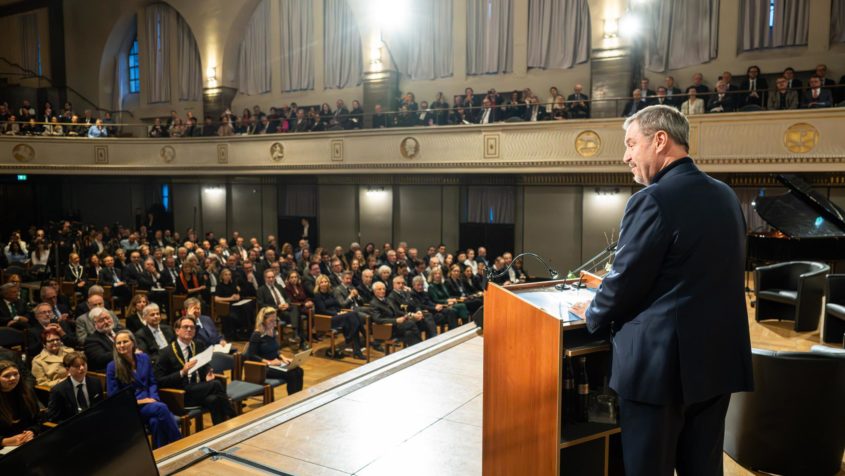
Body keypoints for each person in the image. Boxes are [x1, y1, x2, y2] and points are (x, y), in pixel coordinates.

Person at [569, 105, 753, 476]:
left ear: (660, 140)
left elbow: (623, 282)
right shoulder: (725, 196)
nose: (626, 156)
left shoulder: (652, 199)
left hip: (661, 370)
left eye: (631, 144)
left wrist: (590, 313)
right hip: (717, 362)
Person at [154, 316, 235, 425]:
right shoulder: (165, 353)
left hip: (200, 389)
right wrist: (182, 372)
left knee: (214, 399)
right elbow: (159, 381)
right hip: (181, 395)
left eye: (192, 327)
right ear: (177, 331)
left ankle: (221, 431)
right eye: (185, 327)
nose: (189, 330)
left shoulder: (198, 344)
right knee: (216, 384)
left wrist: (208, 372)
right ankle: (234, 417)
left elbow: (205, 363)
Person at [107, 330, 181, 448]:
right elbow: (114, 397)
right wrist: (142, 401)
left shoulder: (144, 358)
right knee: (161, 408)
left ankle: (159, 453)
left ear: (133, 343)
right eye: (118, 343)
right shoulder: (112, 366)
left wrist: (153, 398)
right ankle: (179, 443)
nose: (121, 345)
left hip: (150, 403)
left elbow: (152, 382)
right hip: (131, 408)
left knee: (155, 422)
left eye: (125, 341)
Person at [245, 308, 305, 396]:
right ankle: (292, 400)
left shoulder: (272, 331)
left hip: (276, 364)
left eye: (275, 320)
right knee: (291, 374)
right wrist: (269, 362)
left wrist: (283, 358)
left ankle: (297, 398)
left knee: (299, 370)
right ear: (263, 320)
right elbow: (252, 355)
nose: (274, 323)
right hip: (263, 368)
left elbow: (275, 350)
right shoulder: (256, 335)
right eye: (271, 321)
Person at [312, 275, 365, 359]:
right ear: (318, 284)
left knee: (354, 317)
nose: (324, 284)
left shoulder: (330, 293)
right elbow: (323, 311)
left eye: (326, 281)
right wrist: (337, 314)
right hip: (326, 319)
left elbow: (338, 305)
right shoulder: (317, 296)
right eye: (322, 282)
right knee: (353, 316)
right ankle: (360, 337)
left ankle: (356, 350)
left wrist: (340, 311)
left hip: (337, 316)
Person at [46, 352, 104, 423]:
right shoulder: (58, 390)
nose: (82, 368)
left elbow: (101, 406)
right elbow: (53, 418)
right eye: (77, 366)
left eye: (83, 364)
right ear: (67, 369)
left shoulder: (96, 382)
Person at [0, 360, 41, 450]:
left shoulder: (27, 392)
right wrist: (5, 441)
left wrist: (32, 431)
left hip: (29, 442)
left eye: (15, 374)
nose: (13, 378)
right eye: (6, 376)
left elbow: (39, 419)